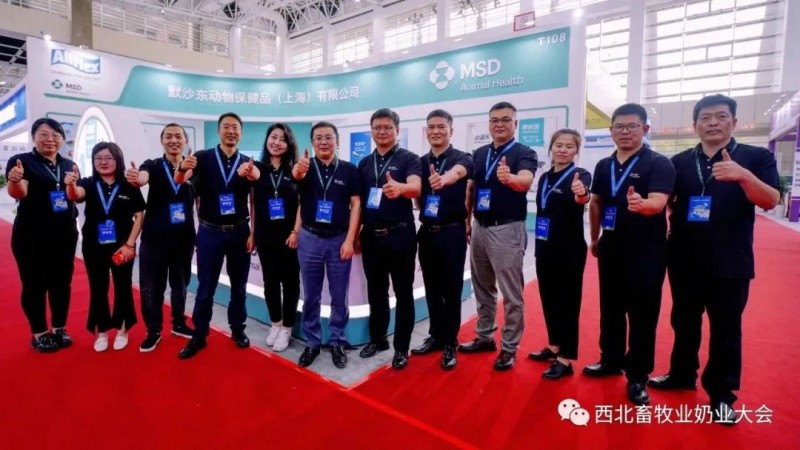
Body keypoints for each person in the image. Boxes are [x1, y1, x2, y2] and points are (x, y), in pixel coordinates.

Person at [647, 94, 780, 424]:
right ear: (694, 125)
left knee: (726, 329)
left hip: (730, 259)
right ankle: (682, 374)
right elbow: (665, 201)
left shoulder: (756, 157)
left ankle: (722, 394)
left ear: (734, 122)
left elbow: (770, 200)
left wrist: (743, 176)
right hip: (684, 258)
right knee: (684, 322)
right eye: (705, 118)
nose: (713, 123)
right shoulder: (678, 162)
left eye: (721, 117)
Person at [584, 103, 676, 406]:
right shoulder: (603, 165)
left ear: (645, 129)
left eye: (632, 126)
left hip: (646, 252)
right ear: (611, 130)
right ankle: (610, 359)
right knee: (610, 309)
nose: (625, 132)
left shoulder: (658, 163)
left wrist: (643, 205)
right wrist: (594, 238)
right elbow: (596, 203)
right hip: (611, 248)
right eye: (619, 127)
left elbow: (659, 202)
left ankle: (638, 375)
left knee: (642, 314)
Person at [458, 101, 537, 371]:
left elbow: (525, 181)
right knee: (482, 287)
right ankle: (484, 336)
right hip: (480, 226)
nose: (499, 124)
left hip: (507, 228)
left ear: (515, 123)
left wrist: (509, 178)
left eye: (505, 119)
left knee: (511, 293)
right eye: (494, 120)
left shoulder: (524, 153)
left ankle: (509, 347)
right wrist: (467, 220)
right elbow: (471, 188)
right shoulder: (480, 153)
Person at [175, 112, 261, 359]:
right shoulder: (202, 158)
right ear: (218, 131)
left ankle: (238, 329)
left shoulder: (247, 163)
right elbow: (179, 181)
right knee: (205, 287)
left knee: (239, 286)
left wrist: (253, 232)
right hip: (209, 231)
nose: (231, 131)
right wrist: (182, 167)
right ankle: (199, 335)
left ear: (241, 133)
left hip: (239, 231)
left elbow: (253, 201)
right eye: (226, 127)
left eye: (235, 127)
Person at [292, 121, 361, 369]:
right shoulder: (305, 167)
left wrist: (350, 240)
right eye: (318, 137)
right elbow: (296, 179)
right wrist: (298, 171)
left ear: (337, 141)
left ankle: (337, 341)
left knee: (339, 295)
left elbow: (356, 205)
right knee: (311, 295)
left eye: (328, 137)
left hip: (338, 239)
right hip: (309, 238)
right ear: (312, 142)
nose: (324, 142)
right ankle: (312, 341)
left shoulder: (349, 170)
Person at [6, 118, 79, 352]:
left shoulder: (69, 164)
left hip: (65, 234)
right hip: (31, 236)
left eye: (55, 135)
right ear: (33, 137)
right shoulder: (22, 162)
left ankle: (59, 328)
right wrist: (14, 180)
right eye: (44, 134)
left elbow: (72, 194)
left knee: (62, 284)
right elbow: (19, 192)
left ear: (62, 139)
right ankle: (39, 332)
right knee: (34, 284)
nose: (50, 139)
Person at [357, 108, 422, 370]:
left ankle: (401, 348)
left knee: (403, 293)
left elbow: (416, 188)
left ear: (397, 130)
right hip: (371, 236)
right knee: (376, 291)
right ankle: (378, 338)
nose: (382, 132)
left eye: (387, 127)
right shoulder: (364, 163)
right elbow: (358, 203)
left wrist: (401, 188)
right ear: (371, 131)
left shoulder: (409, 158)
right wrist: (357, 233)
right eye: (377, 127)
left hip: (400, 234)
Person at [65, 142, 146, 352]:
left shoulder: (128, 184)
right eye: (98, 158)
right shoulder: (88, 183)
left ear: (118, 160)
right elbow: (75, 195)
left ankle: (122, 330)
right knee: (98, 288)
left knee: (123, 286)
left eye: (109, 158)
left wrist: (130, 244)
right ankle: (101, 331)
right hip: (94, 246)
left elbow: (139, 216)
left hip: (121, 247)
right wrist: (71, 184)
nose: (103, 162)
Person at [126, 123, 196, 352]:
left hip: (183, 238)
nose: (173, 140)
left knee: (181, 285)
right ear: (162, 141)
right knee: (150, 288)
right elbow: (142, 178)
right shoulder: (153, 165)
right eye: (169, 136)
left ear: (185, 140)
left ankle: (179, 323)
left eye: (178, 136)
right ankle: (153, 330)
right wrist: (137, 178)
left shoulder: (193, 166)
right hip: (154, 239)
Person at [411, 109, 473, 370]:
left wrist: (443, 179)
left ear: (451, 130)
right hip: (427, 232)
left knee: (451, 290)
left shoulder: (462, 157)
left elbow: (458, 173)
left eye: (441, 127)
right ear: (426, 131)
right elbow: (417, 197)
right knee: (432, 289)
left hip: (452, 232)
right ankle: (435, 336)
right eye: (431, 127)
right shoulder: (419, 162)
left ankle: (450, 342)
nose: (435, 131)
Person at [527, 129, 591, 379]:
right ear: (551, 147)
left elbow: (583, 198)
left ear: (576, 151)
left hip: (569, 249)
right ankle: (554, 345)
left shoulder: (580, 175)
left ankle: (566, 357)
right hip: (545, 246)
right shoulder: (544, 177)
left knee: (568, 303)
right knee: (549, 298)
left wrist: (581, 193)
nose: (563, 150)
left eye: (569, 146)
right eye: (559, 145)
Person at [250, 123, 301, 353]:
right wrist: (252, 233)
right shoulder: (258, 169)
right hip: (265, 235)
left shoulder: (296, 170)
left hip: (289, 237)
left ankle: (288, 327)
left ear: (289, 144)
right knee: (270, 282)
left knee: (290, 283)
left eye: (282, 139)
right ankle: (276, 323)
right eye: (273, 137)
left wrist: (295, 232)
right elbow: (253, 203)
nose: (277, 142)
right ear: (267, 140)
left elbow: (302, 203)